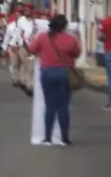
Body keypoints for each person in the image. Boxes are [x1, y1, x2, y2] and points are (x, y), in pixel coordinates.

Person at [28, 14, 80, 146]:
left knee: (50, 106)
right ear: (64, 26)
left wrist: (32, 37)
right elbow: (77, 53)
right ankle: (64, 138)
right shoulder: (70, 39)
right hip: (64, 74)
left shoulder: (42, 37)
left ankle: (47, 138)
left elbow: (32, 49)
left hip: (47, 73)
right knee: (63, 107)